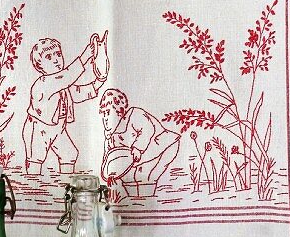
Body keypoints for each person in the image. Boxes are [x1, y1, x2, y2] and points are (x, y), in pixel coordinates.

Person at [22, 33, 107, 175]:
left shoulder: (62, 84)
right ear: (39, 65)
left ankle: (65, 185)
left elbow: (78, 92)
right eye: (49, 57)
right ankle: (33, 186)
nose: (56, 59)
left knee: (69, 154)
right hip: (37, 130)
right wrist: (86, 56)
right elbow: (67, 76)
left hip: (58, 129)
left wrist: (99, 81)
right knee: (36, 158)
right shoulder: (43, 84)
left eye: (58, 54)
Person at [99, 87, 179, 199]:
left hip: (162, 146)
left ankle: (145, 197)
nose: (105, 118)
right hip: (140, 156)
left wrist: (137, 148)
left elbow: (147, 129)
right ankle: (138, 198)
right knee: (131, 177)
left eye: (108, 113)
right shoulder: (110, 136)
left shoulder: (134, 114)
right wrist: (110, 174)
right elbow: (109, 156)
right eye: (103, 114)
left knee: (147, 175)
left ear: (120, 112)